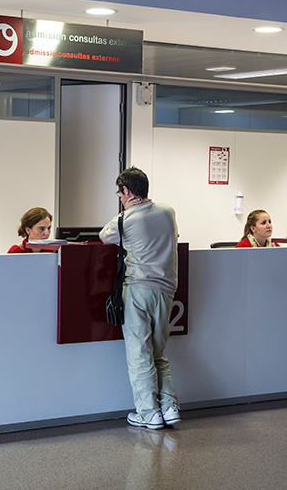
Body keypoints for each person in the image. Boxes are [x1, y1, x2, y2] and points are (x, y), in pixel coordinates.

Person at [99, 167, 181, 430]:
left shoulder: (125, 219)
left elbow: (104, 236)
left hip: (137, 290)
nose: (119, 197)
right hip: (166, 291)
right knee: (158, 353)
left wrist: (124, 212)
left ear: (126, 191)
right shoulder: (168, 211)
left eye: (119, 192)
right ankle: (169, 408)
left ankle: (148, 413)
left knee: (139, 355)